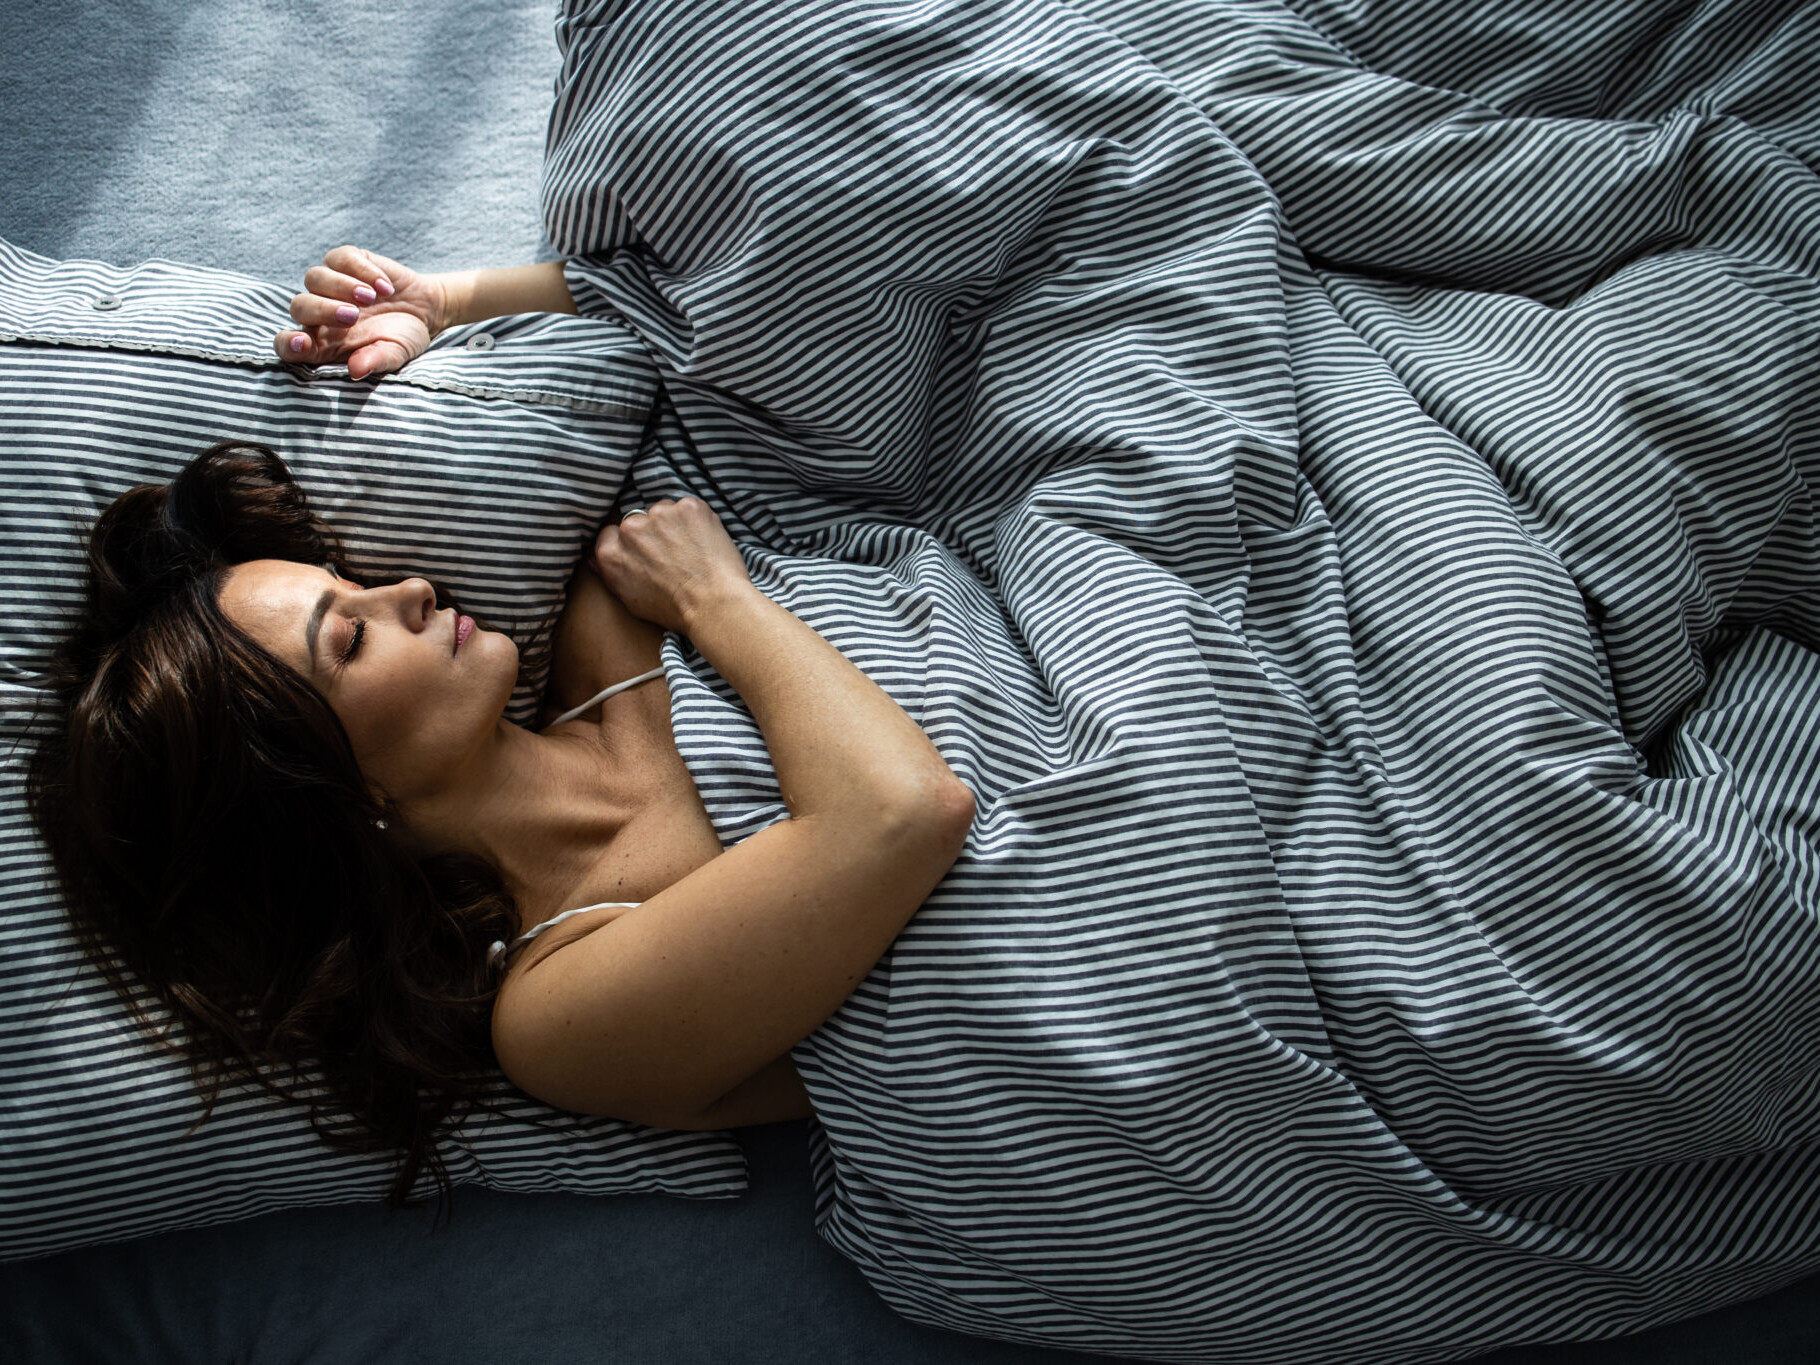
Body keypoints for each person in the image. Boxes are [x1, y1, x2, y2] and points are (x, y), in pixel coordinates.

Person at [27, 247, 975, 1207]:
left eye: (353, 583)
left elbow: (698, 321)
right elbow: (901, 813)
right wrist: (718, 600)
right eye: (350, 638)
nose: (409, 588)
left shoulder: (598, 615)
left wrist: (444, 303)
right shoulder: (557, 1011)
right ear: (344, 793)